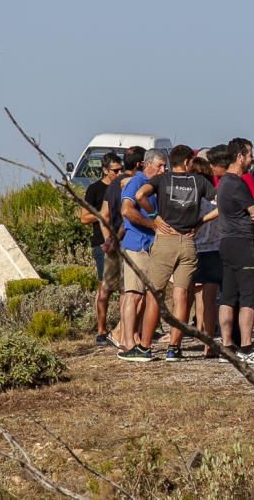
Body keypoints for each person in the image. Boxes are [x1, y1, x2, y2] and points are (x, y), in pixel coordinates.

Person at [134, 144, 218, 362]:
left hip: (165, 239)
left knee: (155, 293)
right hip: (188, 241)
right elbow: (220, 205)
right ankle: (174, 347)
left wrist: (155, 216)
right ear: (188, 162)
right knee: (182, 295)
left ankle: (145, 347)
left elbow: (140, 194)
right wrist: (200, 222)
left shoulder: (163, 180)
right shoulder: (199, 181)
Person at [217, 138, 254, 365]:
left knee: (228, 295)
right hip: (242, 242)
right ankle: (246, 346)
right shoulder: (237, 183)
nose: (252, 159)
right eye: (249, 155)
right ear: (240, 157)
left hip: (227, 242)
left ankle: (227, 345)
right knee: (249, 295)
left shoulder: (223, 183)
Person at [116, 148, 168, 361]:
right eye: (160, 166)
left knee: (145, 296)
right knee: (133, 294)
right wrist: (153, 225)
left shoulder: (152, 186)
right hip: (137, 245)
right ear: (147, 165)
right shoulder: (136, 183)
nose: (163, 170)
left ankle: (134, 338)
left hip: (149, 246)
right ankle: (126, 342)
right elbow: (127, 210)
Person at [100, 146, 144, 349]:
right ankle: (125, 333)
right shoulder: (138, 184)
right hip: (131, 241)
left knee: (114, 290)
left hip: (115, 244)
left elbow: (104, 215)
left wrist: (108, 240)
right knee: (131, 292)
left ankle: (117, 332)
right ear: (139, 164)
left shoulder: (114, 184)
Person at [82, 151, 122, 346]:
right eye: (116, 170)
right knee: (104, 288)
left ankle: (125, 328)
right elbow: (83, 217)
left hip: (123, 241)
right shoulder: (95, 189)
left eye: (121, 168)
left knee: (127, 288)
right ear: (105, 170)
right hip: (101, 243)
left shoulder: (124, 185)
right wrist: (103, 214)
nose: (119, 172)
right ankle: (101, 329)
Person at [190, 151, 225, 358]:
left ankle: (198, 332)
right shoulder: (214, 203)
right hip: (213, 251)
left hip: (195, 250)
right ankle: (209, 342)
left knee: (196, 299)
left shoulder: (193, 203)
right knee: (211, 300)